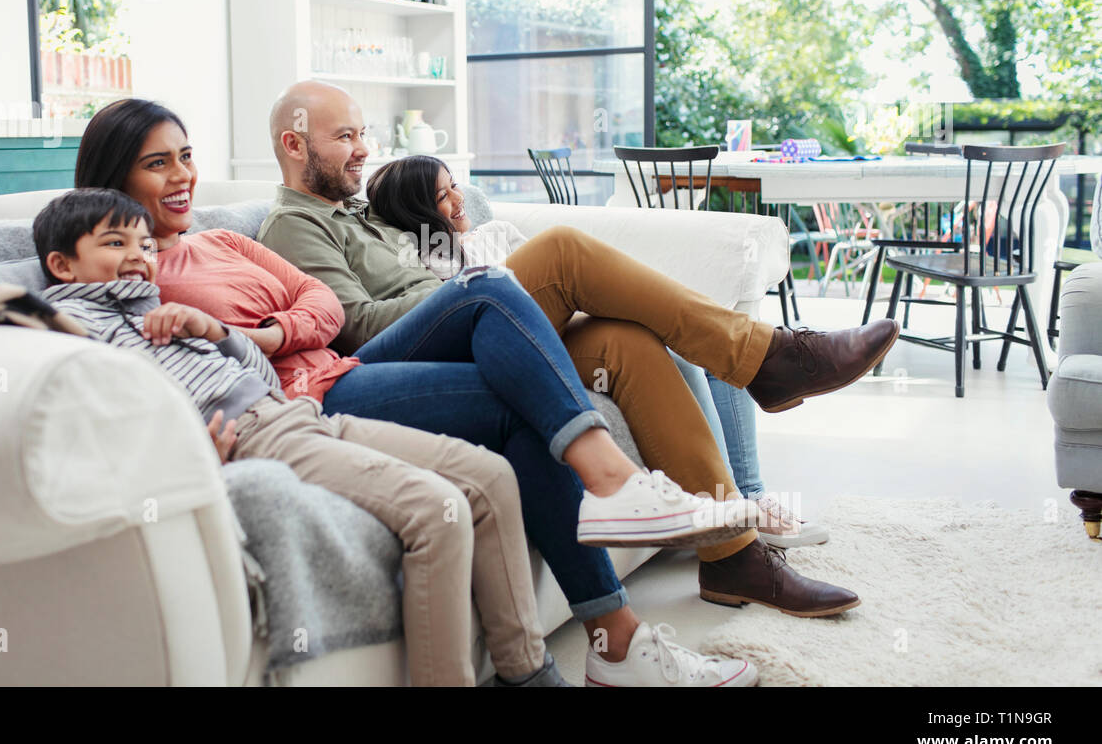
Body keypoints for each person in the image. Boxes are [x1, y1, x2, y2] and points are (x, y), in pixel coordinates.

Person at [74, 98, 763, 688]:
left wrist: (274, 329)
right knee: (492, 286)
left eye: (185, 156)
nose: (182, 176)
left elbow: (323, 307)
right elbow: (127, 362)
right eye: (157, 163)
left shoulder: (226, 240)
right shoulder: (121, 272)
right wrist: (238, 357)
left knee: (533, 377)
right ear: (113, 181)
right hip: (313, 403)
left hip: (342, 370)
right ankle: (633, 471)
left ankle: (617, 642)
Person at [257, 80, 895, 622]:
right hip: (406, 359)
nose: (363, 148)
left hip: (473, 328)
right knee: (561, 251)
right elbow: (357, 327)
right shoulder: (295, 223)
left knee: (626, 342)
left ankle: (733, 557)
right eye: (345, 137)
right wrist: (462, 291)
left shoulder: (362, 211)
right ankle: (773, 360)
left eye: (363, 133)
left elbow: (430, 243)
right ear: (293, 144)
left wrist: (458, 262)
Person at [32, 186, 583, 687]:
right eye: (114, 243)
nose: (138, 256)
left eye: (145, 245)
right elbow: (104, 412)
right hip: (254, 435)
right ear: (62, 265)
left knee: (488, 477)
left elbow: (265, 370)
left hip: (294, 413)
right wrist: (189, 455)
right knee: (436, 510)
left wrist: (218, 332)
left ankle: (527, 673)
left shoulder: (157, 308)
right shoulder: (71, 324)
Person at [365, 154, 829, 548]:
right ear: (419, 212)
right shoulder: (428, 262)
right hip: (517, 342)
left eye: (455, 187)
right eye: (443, 196)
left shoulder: (497, 233)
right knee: (636, 317)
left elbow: (569, 291)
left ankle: (748, 492)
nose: (459, 200)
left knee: (687, 346)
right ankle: (743, 480)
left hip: (567, 322)